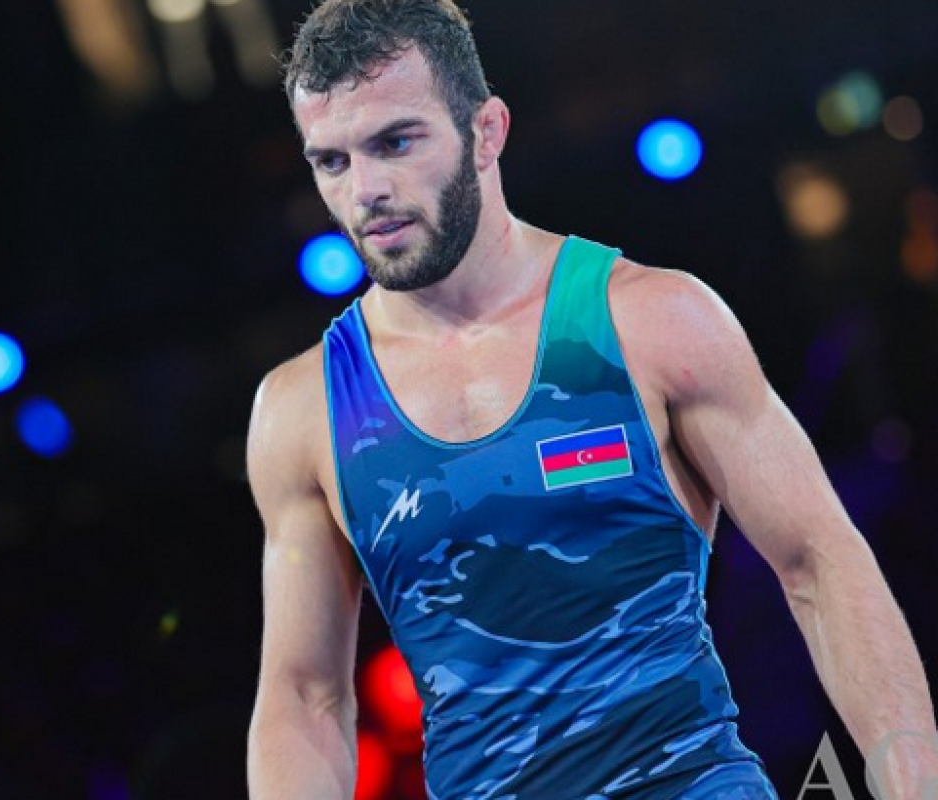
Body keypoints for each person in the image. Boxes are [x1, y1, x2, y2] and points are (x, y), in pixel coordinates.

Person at [245, 1, 938, 797]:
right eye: (331, 162)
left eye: (395, 142)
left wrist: (912, 780)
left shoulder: (656, 323)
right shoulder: (302, 412)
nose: (365, 190)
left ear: (486, 131)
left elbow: (820, 563)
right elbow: (304, 697)